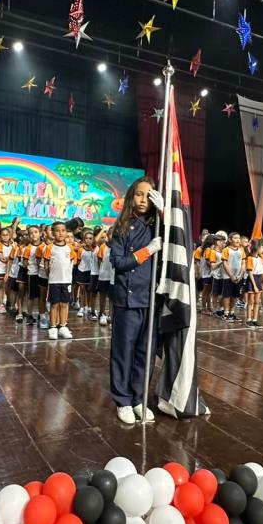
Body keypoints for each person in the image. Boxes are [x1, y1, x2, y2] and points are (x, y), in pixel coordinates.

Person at [109, 176, 163, 424]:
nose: (143, 200)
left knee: (145, 353)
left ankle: (139, 398)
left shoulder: (158, 225)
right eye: (139, 194)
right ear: (131, 197)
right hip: (128, 299)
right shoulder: (122, 227)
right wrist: (147, 251)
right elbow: (119, 263)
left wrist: (165, 213)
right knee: (124, 352)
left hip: (151, 298)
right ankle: (123, 400)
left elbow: (178, 240)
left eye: (148, 195)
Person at [43, 220, 77, 339]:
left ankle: (63, 326)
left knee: (64, 304)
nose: (60, 233)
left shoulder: (69, 248)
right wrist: (51, 276)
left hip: (66, 281)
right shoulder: (49, 248)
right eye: (57, 231)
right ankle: (53, 327)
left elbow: (72, 263)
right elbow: (46, 265)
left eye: (63, 230)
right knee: (54, 304)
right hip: (54, 281)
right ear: (52, 233)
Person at [220, 232, 245, 322]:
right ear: (230, 240)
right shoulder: (226, 250)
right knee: (227, 295)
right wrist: (231, 275)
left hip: (238, 276)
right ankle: (226, 313)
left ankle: (232, 313)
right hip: (228, 276)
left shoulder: (241, 250)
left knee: (235, 295)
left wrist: (240, 274)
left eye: (238, 238)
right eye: (235, 238)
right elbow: (225, 263)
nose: (238, 240)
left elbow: (243, 263)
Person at [0, 227, 14, 313]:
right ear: (0, 236)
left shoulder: (12, 245)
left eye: (7, 235)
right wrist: (11, 259)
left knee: (8, 287)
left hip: (9, 269)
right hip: (0, 268)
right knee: (1, 286)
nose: (5, 237)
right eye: (3, 235)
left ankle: (8, 302)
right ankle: (0, 305)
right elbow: (2, 259)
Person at [244, 241, 263, 327]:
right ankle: (249, 319)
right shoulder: (250, 258)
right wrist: (254, 285)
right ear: (257, 248)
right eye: (262, 247)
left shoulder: (260, 258)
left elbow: (262, 272)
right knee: (251, 301)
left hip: (259, 279)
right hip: (252, 280)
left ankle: (255, 319)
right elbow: (250, 272)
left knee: (257, 302)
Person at [96, 229, 113, 325]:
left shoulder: (118, 246)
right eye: (110, 234)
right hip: (104, 276)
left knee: (111, 297)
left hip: (113, 276)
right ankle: (102, 313)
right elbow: (99, 260)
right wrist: (101, 271)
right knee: (102, 296)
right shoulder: (103, 246)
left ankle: (111, 315)